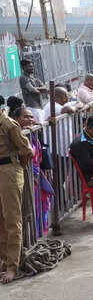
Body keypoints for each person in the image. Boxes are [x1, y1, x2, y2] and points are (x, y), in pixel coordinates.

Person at [0, 98, 35, 284]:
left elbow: (27, 151)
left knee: (12, 219)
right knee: (1, 220)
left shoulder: (8, 124)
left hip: (9, 171)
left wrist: (17, 169)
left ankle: (12, 265)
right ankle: (5, 260)